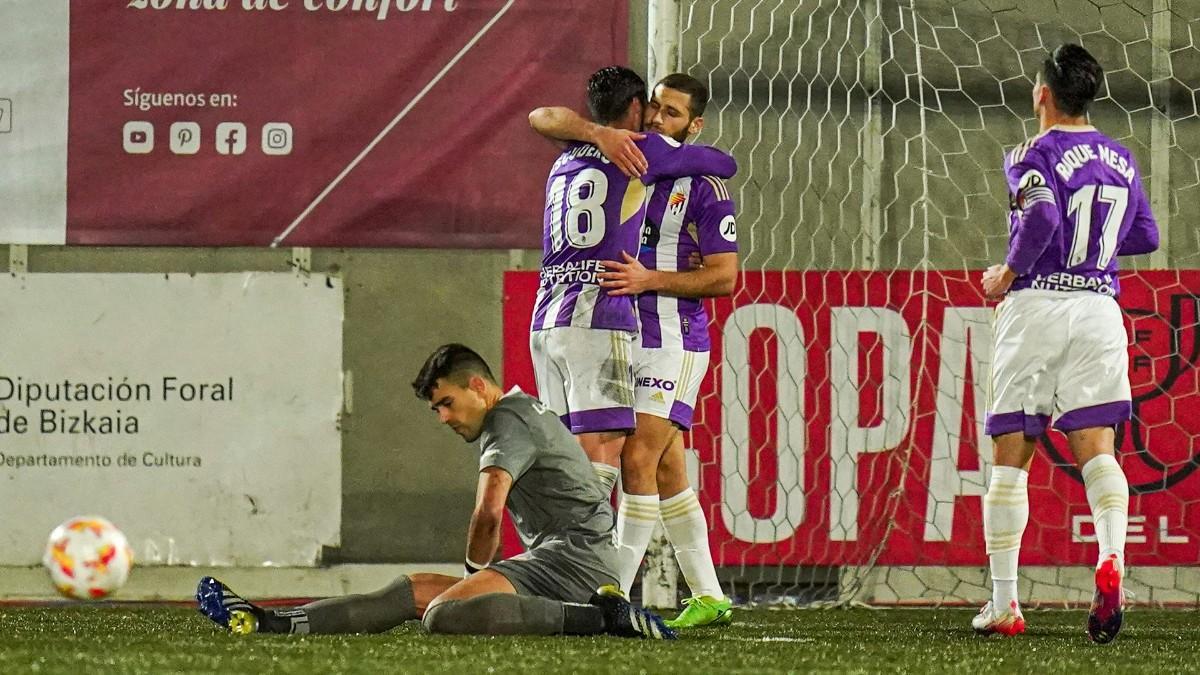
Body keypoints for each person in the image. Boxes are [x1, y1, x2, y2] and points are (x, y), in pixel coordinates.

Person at [196, 344, 675, 640]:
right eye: (435, 410)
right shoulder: (518, 412)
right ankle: (274, 622)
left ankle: (606, 620)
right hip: (568, 558)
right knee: (416, 591)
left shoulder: (506, 422)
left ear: (477, 386)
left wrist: (472, 574)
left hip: (575, 561)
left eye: (446, 403)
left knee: (446, 613)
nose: (443, 417)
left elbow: (488, 511)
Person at [529, 73, 738, 628]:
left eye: (671, 114)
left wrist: (651, 280)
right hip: (617, 327)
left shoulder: (700, 185)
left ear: (693, 125)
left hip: (673, 336)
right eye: (653, 109)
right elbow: (543, 117)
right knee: (666, 466)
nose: (656, 120)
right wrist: (599, 133)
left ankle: (609, 592)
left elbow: (723, 279)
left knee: (636, 457)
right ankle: (711, 594)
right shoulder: (621, 157)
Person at [975, 43, 1158, 643]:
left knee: (1012, 457)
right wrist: (1094, 250)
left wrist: (1008, 270)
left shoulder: (1033, 151)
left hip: (1038, 307)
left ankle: (1004, 602)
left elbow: (1044, 216)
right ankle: (1112, 561)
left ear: (1043, 95)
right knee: (1098, 451)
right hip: (1100, 310)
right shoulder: (1123, 159)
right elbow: (1146, 235)